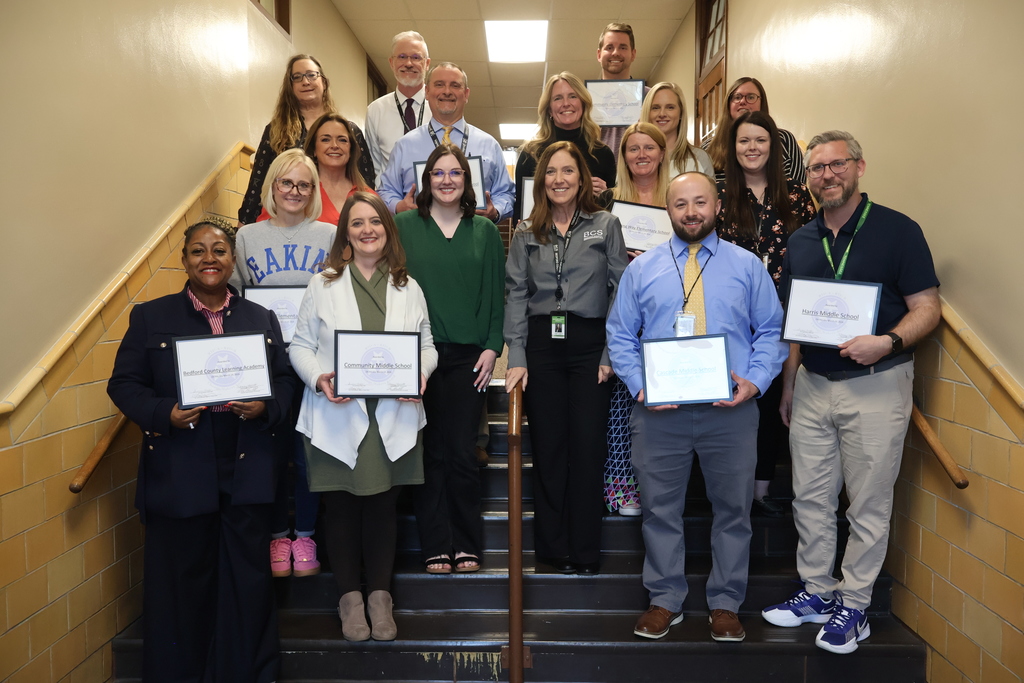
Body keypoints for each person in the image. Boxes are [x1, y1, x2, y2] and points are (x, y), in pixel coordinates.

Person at [762, 131, 940, 654]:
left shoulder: (898, 231)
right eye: (816, 169)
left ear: (859, 167)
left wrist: (885, 342)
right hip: (814, 384)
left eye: (836, 165)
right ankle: (817, 590)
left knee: (866, 502)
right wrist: (791, 380)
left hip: (877, 384)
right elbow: (796, 323)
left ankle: (855, 605)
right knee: (810, 497)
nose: (826, 176)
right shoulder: (800, 239)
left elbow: (927, 306)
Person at [107, 220, 296, 682]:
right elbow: (124, 384)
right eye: (197, 251)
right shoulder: (151, 317)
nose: (209, 258)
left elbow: (288, 381)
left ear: (233, 259)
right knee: (180, 590)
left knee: (248, 587)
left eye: (218, 250)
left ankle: (249, 674)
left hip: (246, 473)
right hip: (181, 476)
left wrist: (266, 405)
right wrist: (163, 412)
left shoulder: (259, 318)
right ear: (185, 260)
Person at [606, 172, 786, 642]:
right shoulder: (642, 269)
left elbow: (771, 330)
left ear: (717, 207)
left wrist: (756, 381)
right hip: (658, 412)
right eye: (681, 203)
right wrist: (642, 387)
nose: (691, 211)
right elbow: (621, 335)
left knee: (733, 510)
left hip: (730, 410)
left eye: (700, 202)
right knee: (659, 510)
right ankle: (665, 598)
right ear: (668, 210)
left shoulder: (748, 267)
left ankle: (726, 602)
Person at [288, 192, 438, 642]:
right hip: (338, 413)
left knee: (382, 507)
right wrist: (318, 380)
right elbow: (299, 346)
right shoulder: (324, 285)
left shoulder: (407, 287)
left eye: (375, 221)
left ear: (388, 230)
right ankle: (350, 599)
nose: (367, 230)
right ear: (345, 234)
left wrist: (421, 375)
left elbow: (426, 344)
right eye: (357, 224)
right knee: (341, 508)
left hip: (392, 413)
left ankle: (380, 597)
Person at [504, 141, 628, 575]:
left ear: (582, 178)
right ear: (541, 181)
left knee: (587, 447)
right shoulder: (525, 232)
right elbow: (516, 294)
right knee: (549, 449)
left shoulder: (605, 224)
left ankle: (585, 552)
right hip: (541, 345)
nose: (559, 179)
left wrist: (612, 352)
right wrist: (516, 355)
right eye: (551, 172)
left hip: (591, 346)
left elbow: (620, 291)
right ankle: (553, 551)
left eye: (567, 171)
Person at [396, 144, 505, 574]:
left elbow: (496, 298)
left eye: (454, 173)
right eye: (437, 173)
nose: (446, 180)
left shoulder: (485, 231)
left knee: (461, 452)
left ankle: (467, 543)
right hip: (416, 354)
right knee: (428, 452)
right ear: (426, 181)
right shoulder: (404, 225)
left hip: (467, 358)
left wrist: (492, 348)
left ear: (467, 180)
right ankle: (435, 544)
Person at [231, 148, 335, 578]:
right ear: (271, 186)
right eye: (285, 183)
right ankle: (277, 537)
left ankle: (306, 533)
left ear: (313, 191)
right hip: (266, 361)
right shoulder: (246, 237)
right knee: (269, 451)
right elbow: (235, 298)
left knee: (308, 450)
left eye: (303, 184)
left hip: (313, 358)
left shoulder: (330, 234)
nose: (294, 191)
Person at [716, 111, 816, 517]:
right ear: (732, 147)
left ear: (773, 147)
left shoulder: (796, 195)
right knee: (733, 397)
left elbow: (810, 252)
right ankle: (725, 491)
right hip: (734, 316)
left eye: (760, 140)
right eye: (744, 141)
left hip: (784, 314)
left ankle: (759, 493)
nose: (752, 147)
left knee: (773, 397)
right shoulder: (718, 194)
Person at [597, 121, 673, 517]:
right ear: (623, 156)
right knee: (624, 404)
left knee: (666, 403)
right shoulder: (608, 202)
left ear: (662, 153)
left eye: (649, 147)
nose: (641, 155)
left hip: (667, 314)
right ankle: (621, 487)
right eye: (632, 149)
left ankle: (661, 487)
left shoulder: (677, 198)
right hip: (621, 311)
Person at [238, 54, 375, 225]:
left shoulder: (349, 130)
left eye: (311, 75)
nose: (306, 82)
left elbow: (365, 179)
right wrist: (244, 225)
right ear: (291, 86)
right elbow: (259, 181)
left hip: (338, 219)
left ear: (323, 82)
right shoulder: (276, 130)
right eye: (297, 77)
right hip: (288, 219)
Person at [380, 62, 514, 223]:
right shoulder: (404, 145)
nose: (447, 91)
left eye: (455, 86)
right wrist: (398, 206)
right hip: (418, 236)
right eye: (439, 85)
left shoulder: (489, 145)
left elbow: (506, 193)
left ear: (466, 94)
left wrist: (496, 211)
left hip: (473, 237)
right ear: (427, 92)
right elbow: (386, 191)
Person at [514, 72, 616, 222]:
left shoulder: (603, 154)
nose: (566, 103)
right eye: (558, 98)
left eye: (573, 96)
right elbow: (521, 211)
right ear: (549, 109)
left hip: (591, 240)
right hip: (543, 238)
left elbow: (612, 214)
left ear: (583, 103)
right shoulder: (530, 154)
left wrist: (606, 195)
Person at [253, 113, 376, 227]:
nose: (334, 145)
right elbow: (264, 234)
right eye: (325, 139)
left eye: (342, 140)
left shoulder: (368, 195)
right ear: (314, 150)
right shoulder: (295, 192)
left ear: (351, 150)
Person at [704, 77, 805, 185]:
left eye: (751, 97)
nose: (742, 101)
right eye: (737, 97)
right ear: (728, 104)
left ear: (762, 102)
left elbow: (799, 186)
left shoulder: (785, 139)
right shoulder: (708, 147)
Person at [364, 31, 433, 181]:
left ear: (427, 64)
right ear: (391, 63)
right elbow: (374, 165)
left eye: (416, 57)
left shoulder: (439, 106)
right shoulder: (375, 110)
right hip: (390, 200)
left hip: (434, 197)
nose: (408, 64)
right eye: (402, 57)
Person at [595, 23, 649, 162]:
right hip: (596, 177)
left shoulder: (650, 97)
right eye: (609, 47)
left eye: (623, 47)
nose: (615, 53)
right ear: (599, 54)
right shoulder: (584, 98)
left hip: (639, 174)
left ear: (633, 54)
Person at [640, 82, 714, 177]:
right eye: (655, 108)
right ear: (647, 112)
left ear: (681, 113)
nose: (662, 114)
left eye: (670, 107)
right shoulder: (636, 158)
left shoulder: (699, 158)